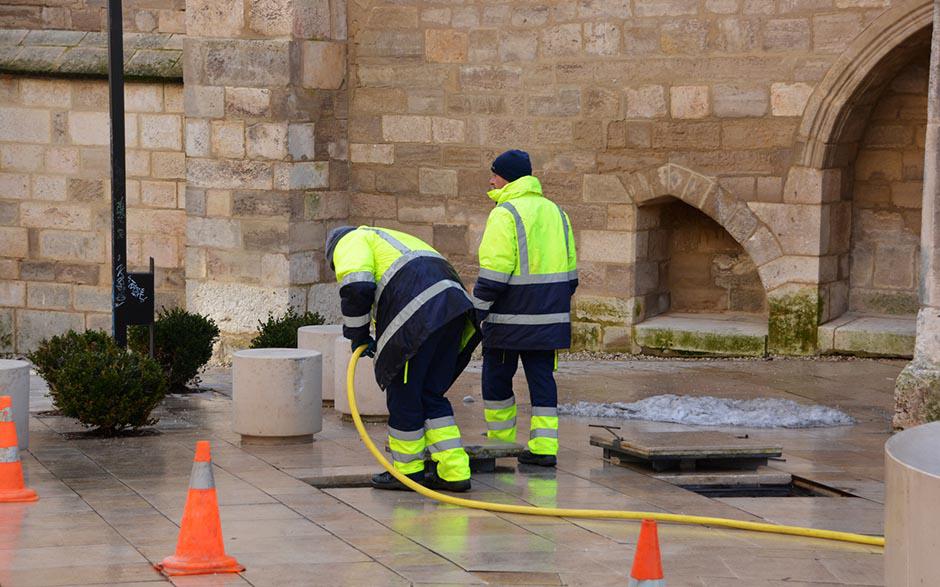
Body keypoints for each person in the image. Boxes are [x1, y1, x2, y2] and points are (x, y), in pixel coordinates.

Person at [326, 225, 480, 492]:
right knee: (431, 394)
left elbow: (357, 286)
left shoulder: (349, 241)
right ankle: (454, 471)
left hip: (419, 314)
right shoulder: (391, 238)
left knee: (405, 394)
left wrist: (358, 335)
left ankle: (408, 472)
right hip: (455, 310)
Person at [471, 150, 578, 468]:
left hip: (508, 321)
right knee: (542, 378)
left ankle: (501, 443)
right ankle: (544, 448)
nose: (490, 180)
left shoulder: (505, 213)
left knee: (496, 381)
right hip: (550, 317)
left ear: (508, 177)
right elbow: (571, 274)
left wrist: (477, 309)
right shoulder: (556, 212)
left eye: (494, 174)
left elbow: (494, 272)